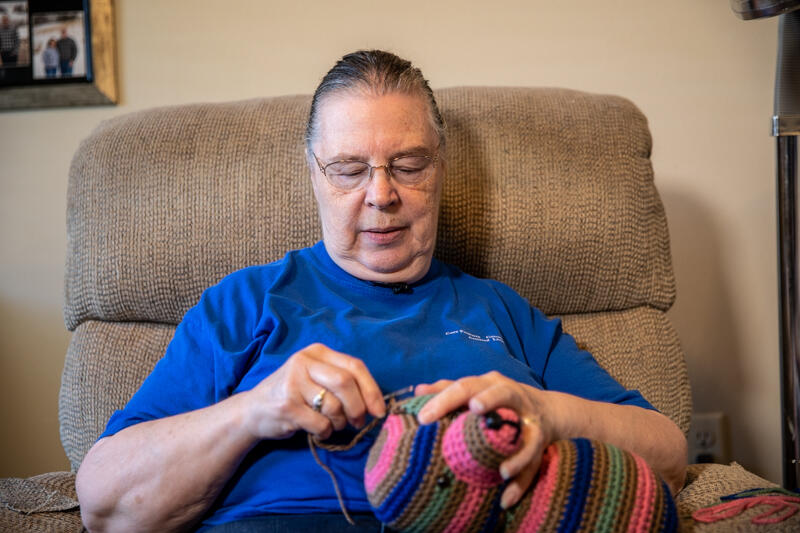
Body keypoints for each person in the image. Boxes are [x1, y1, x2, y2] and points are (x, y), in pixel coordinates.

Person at [75, 50, 687, 532]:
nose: (381, 194)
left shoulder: (500, 310)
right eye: (348, 169)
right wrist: (255, 410)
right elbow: (105, 502)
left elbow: (668, 451)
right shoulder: (244, 303)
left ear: (440, 168)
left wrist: (546, 412)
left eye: (410, 165)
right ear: (313, 174)